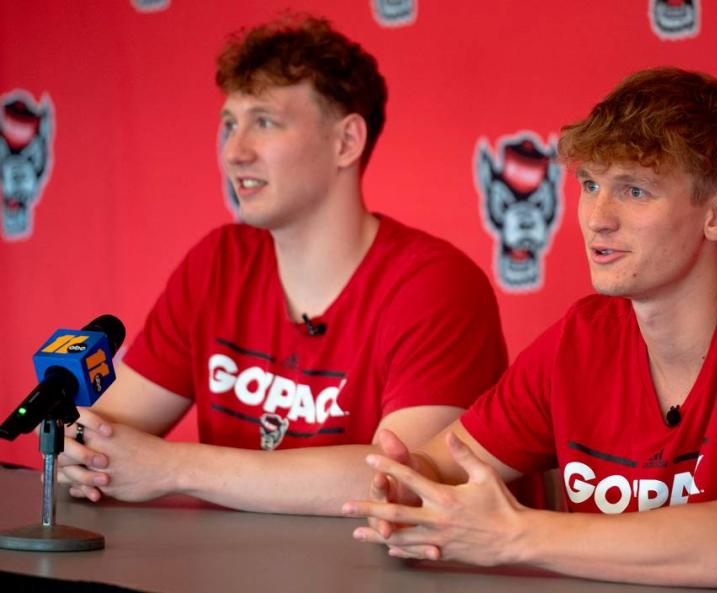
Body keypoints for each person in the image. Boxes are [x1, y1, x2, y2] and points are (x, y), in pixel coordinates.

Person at [343, 67, 717, 593]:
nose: (598, 217)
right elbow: (448, 464)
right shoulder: (583, 337)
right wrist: (409, 485)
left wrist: (515, 534)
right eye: (591, 184)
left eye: (635, 190)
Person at [55, 14, 510, 516]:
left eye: (264, 122)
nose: (234, 151)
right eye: (229, 123)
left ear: (346, 142)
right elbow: (105, 426)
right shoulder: (218, 262)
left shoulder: (436, 284)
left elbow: (403, 478)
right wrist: (74, 443)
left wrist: (172, 467)